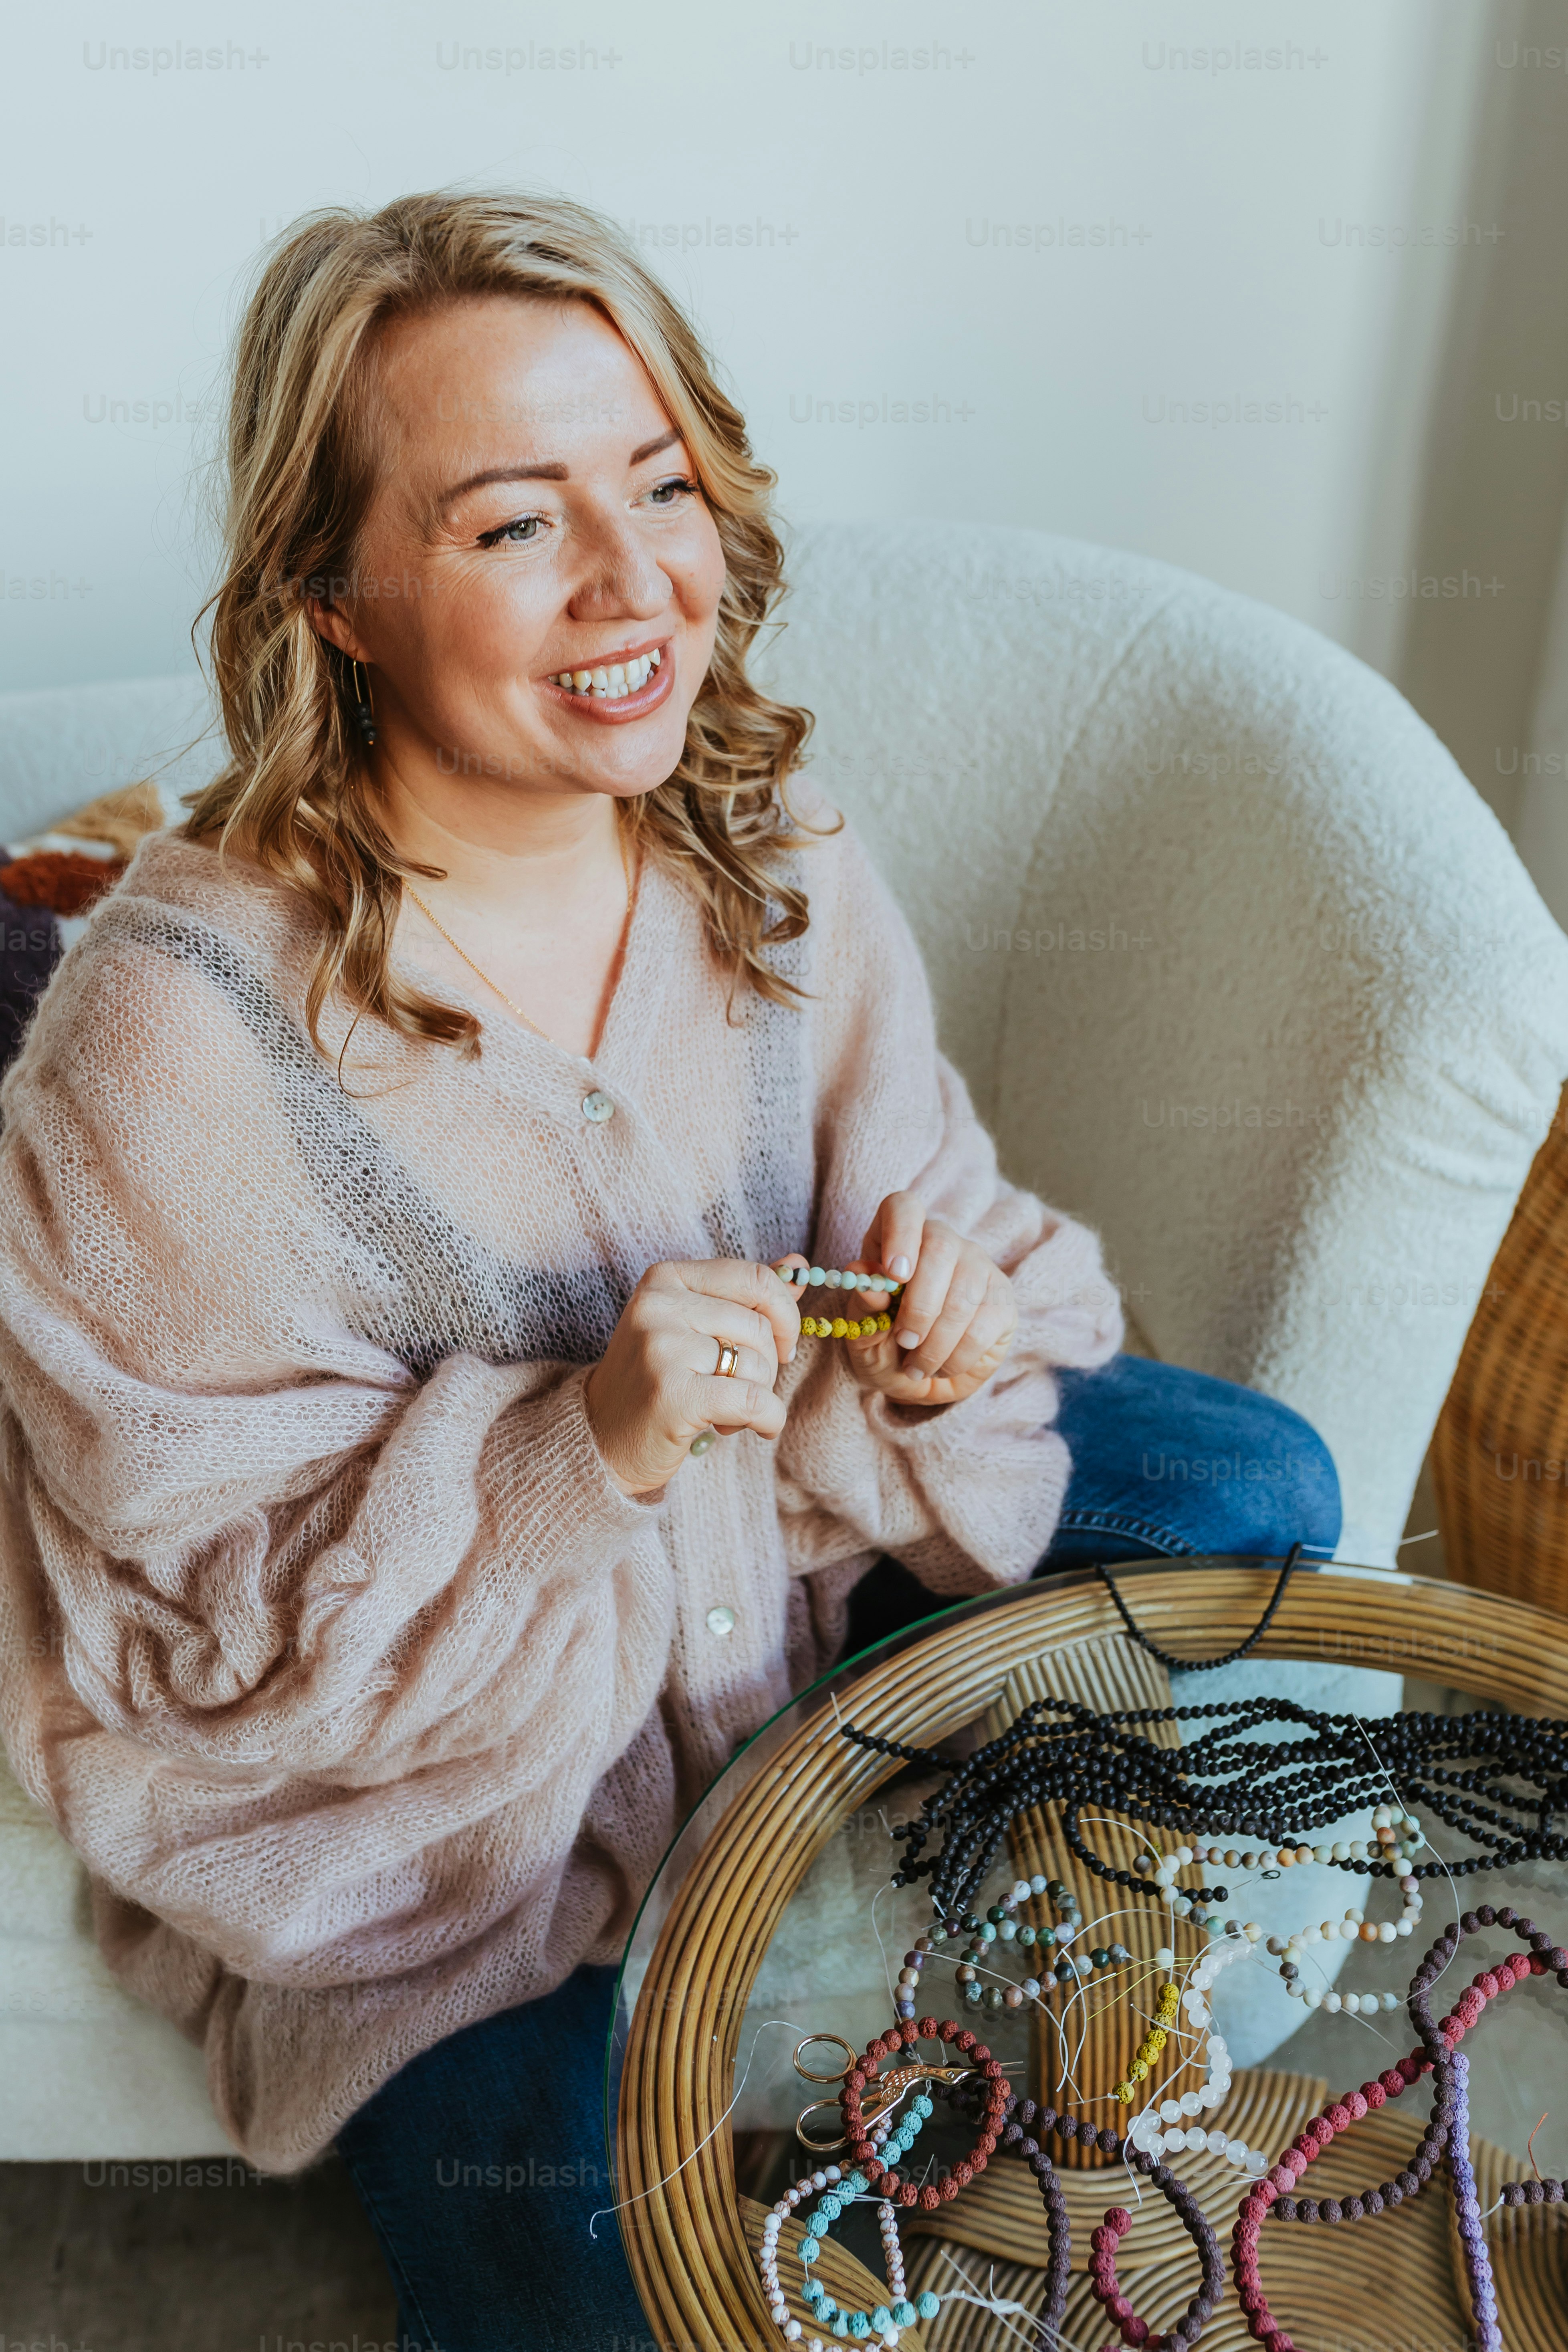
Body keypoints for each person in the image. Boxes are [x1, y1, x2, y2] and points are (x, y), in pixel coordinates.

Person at [0, 192, 1339, 2352]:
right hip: (441, 1823)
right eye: (521, 525)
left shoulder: (765, 845)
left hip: (783, 1575)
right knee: (615, 2288)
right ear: (332, 599)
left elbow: (950, 1230)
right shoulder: (174, 1037)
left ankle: (831, 1856)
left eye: (660, 482)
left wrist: (934, 1344)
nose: (641, 584)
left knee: (1242, 1493)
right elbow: (203, 1656)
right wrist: (582, 1456)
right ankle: (769, 1942)